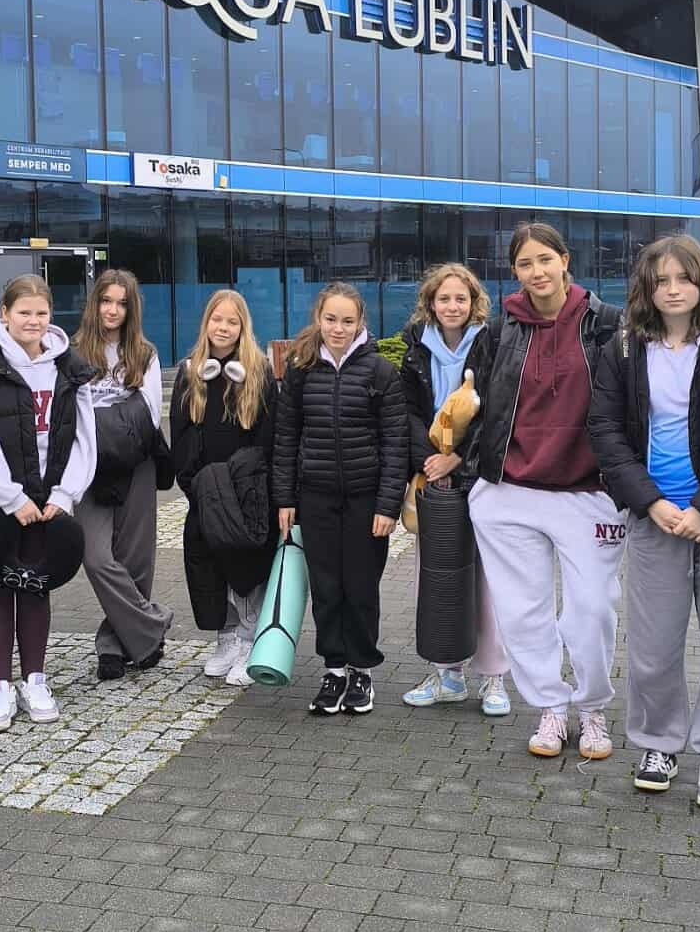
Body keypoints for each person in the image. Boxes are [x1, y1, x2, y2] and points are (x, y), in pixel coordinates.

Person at [589, 235, 700, 811]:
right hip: (655, 518)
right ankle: (658, 744)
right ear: (646, 289)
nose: (672, 290)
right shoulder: (624, 347)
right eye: (660, 281)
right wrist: (649, 501)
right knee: (653, 643)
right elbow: (605, 431)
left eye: (683, 278)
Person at [464, 223, 627, 763]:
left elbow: (634, 403)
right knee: (523, 611)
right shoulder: (498, 331)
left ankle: (592, 706)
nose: (536, 272)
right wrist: (468, 465)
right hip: (510, 489)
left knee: (592, 609)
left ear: (564, 260)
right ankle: (550, 707)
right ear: (514, 271)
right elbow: (474, 405)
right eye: (524, 263)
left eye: (544, 260)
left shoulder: (607, 325)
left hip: (589, 490)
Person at [0, 274, 98, 733]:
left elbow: (84, 437)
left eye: (41, 313)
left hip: (47, 502)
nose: (33, 321)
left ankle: (35, 680)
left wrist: (64, 493)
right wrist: (9, 497)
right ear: (5, 315)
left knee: (35, 587)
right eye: (24, 312)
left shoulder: (70, 369)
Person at [274, 281, 406, 716]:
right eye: (331, 319)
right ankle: (334, 670)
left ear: (360, 322)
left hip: (366, 500)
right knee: (327, 589)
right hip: (315, 497)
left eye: (347, 321)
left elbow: (395, 444)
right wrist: (285, 497)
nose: (338, 328)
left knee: (361, 588)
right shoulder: (301, 368)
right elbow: (286, 436)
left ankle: (361, 671)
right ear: (319, 318)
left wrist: (388, 505)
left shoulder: (381, 372)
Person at [397, 263, 510, 716]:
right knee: (438, 575)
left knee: (487, 579)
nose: (452, 306)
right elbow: (406, 412)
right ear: (430, 302)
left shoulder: (491, 343)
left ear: (474, 302)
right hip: (434, 476)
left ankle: (493, 677)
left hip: (479, 475)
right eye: (443, 298)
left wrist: (458, 458)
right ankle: (447, 674)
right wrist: (429, 460)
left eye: (460, 298)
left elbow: (498, 411)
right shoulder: (415, 348)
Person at [170, 290, 276, 688]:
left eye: (233, 321)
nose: (224, 328)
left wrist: (253, 486)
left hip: (247, 492)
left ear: (243, 327)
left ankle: (249, 641)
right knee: (209, 566)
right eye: (218, 319)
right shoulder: (191, 373)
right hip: (206, 491)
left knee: (245, 567)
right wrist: (195, 483)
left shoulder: (259, 372)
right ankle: (227, 638)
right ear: (206, 323)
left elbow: (269, 437)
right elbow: (180, 435)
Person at [74, 269, 174, 681]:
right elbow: (69, 415)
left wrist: (97, 421)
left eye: (121, 303)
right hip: (88, 467)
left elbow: (148, 415)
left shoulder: (144, 353)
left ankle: (115, 644)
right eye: (106, 301)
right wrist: (114, 419)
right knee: (97, 557)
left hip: (136, 463)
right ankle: (153, 624)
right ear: (94, 303)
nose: (112, 310)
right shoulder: (74, 351)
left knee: (135, 560)